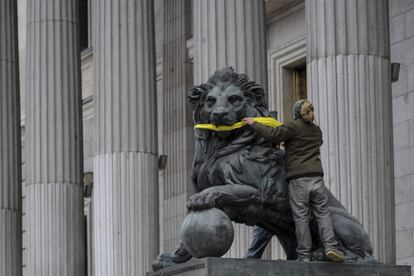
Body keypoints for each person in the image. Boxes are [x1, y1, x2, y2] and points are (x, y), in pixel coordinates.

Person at [243, 99, 345, 262]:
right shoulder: (317, 131)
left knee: (301, 217)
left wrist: (254, 123)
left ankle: (304, 254)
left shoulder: (293, 126)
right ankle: (331, 247)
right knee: (323, 213)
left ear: (296, 113)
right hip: (317, 178)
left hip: (299, 179)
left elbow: (273, 134)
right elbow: (308, 144)